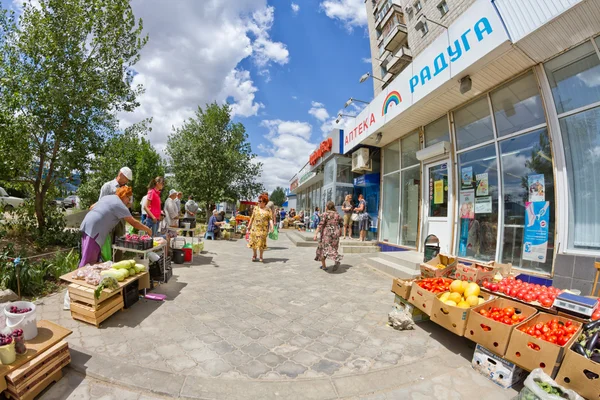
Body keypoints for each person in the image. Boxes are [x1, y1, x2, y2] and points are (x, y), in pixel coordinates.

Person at [79, 186, 151, 267]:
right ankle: (78, 277)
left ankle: (85, 276)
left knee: (90, 257)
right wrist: (147, 229)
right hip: (95, 230)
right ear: (124, 195)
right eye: (128, 198)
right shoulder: (119, 205)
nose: (129, 201)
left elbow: (91, 207)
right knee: (88, 262)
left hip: (87, 224)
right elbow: (134, 223)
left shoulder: (108, 197)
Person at [313, 201, 343, 271]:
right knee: (333, 248)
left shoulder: (325, 214)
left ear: (327, 207)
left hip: (327, 234)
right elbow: (341, 223)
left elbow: (320, 225)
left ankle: (324, 266)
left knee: (323, 249)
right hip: (335, 234)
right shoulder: (337, 214)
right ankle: (336, 260)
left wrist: (315, 234)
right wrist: (340, 231)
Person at [247, 193, 274, 262]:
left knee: (261, 243)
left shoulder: (268, 210)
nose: (258, 202)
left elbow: (270, 219)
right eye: (258, 201)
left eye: (260, 201)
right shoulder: (255, 208)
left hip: (263, 229)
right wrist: (249, 226)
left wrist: (272, 227)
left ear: (264, 202)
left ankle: (261, 256)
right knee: (253, 242)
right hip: (254, 228)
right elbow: (252, 218)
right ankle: (254, 254)